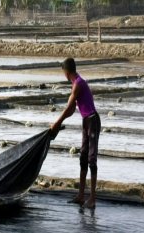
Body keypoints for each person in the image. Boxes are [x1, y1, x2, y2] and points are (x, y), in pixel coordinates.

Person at [51, 58, 101, 209]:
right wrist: (58, 124)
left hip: (92, 121)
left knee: (91, 159)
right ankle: (80, 196)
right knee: (83, 156)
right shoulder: (75, 84)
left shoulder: (78, 83)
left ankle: (92, 199)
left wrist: (56, 123)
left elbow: (68, 108)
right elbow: (71, 109)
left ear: (66, 72)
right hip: (86, 121)